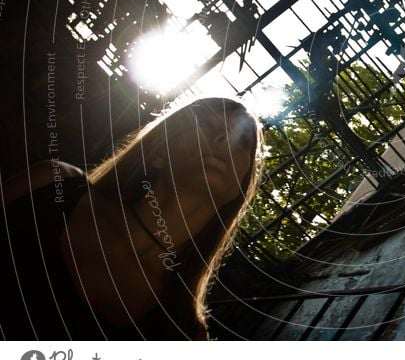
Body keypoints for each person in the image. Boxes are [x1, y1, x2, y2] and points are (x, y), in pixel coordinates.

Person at [0, 97, 262, 340]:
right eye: (206, 124)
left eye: (242, 143)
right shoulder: (52, 186)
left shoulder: (182, 333)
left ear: (238, 190)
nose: (223, 139)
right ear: (159, 152)